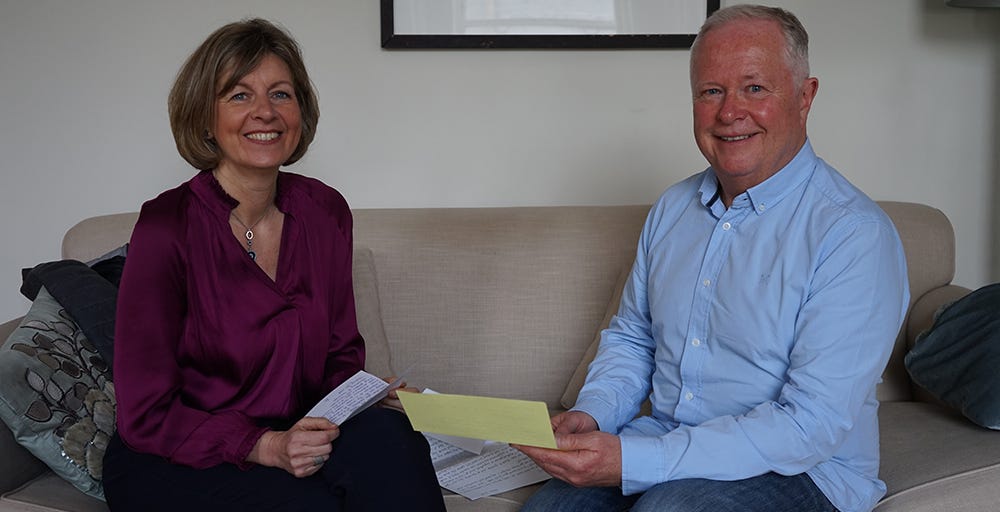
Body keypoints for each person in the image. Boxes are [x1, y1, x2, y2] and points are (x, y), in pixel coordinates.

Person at [517, 5, 909, 512]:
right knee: (552, 510)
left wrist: (639, 461)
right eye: (711, 91)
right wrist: (592, 415)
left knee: (671, 508)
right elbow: (634, 339)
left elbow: (807, 426)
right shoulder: (672, 209)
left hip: (804, 470)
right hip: (666, 437)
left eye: (755, 88)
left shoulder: (853, 234)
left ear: (805, 96)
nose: (729, 112)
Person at [101, 19, 445, 511]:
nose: (265, 112)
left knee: (394, 440)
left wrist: (368, 396)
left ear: (300, 110)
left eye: (281, 94)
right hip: (180, 452)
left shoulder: (325, 211)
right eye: (239, 96)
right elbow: (147, 411)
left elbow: (339, 357)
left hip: (295, 432)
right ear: (204, 117)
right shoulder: (165, 227)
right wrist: (263, 446)